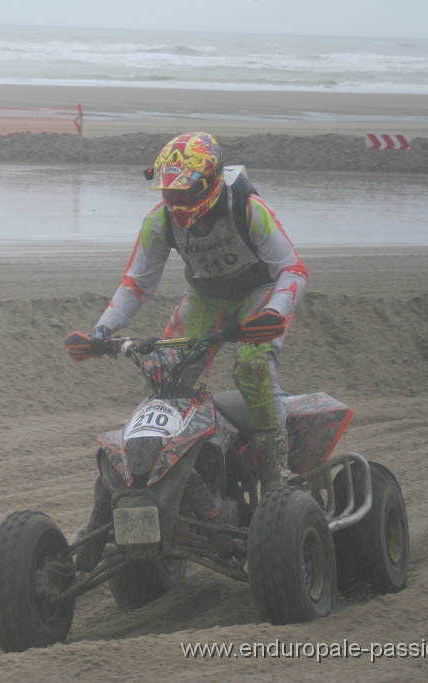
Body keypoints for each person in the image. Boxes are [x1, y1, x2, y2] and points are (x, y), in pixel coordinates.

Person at [65, 131, 307, 499]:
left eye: (184, 192)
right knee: (165, 371)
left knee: (251, 363)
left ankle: (275, 474)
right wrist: (100, 332)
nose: (176, 201)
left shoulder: (247, 207)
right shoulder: (158, 222)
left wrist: (275, 311)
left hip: (259, 291)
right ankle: (179, 469)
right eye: (170, 192)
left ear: (210, 183)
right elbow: (136, 285)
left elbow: (291, 269)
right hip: (207, 294)